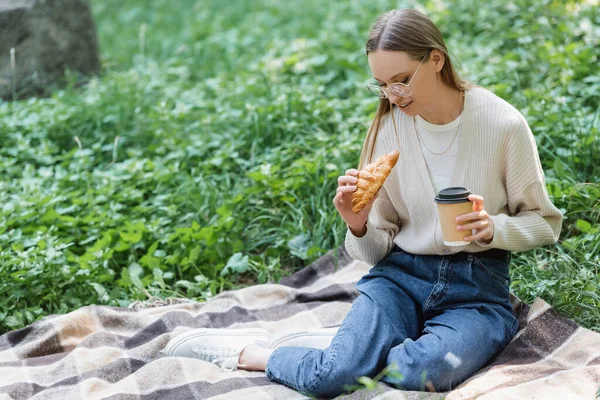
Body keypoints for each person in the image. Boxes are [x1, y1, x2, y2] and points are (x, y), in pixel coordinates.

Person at [162, 8, 563, 398]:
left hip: (477, 290)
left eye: (402, 79)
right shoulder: (387, 131)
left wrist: (495, 227)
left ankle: (353, 348)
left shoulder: (502, 124)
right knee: (329, 378)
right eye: (382, 84)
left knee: (422, 373)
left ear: (436, 59)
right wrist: (357, 224)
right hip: (401, 278)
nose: (393, 94)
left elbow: (546, 223)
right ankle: (253, 353)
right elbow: (376, 252)